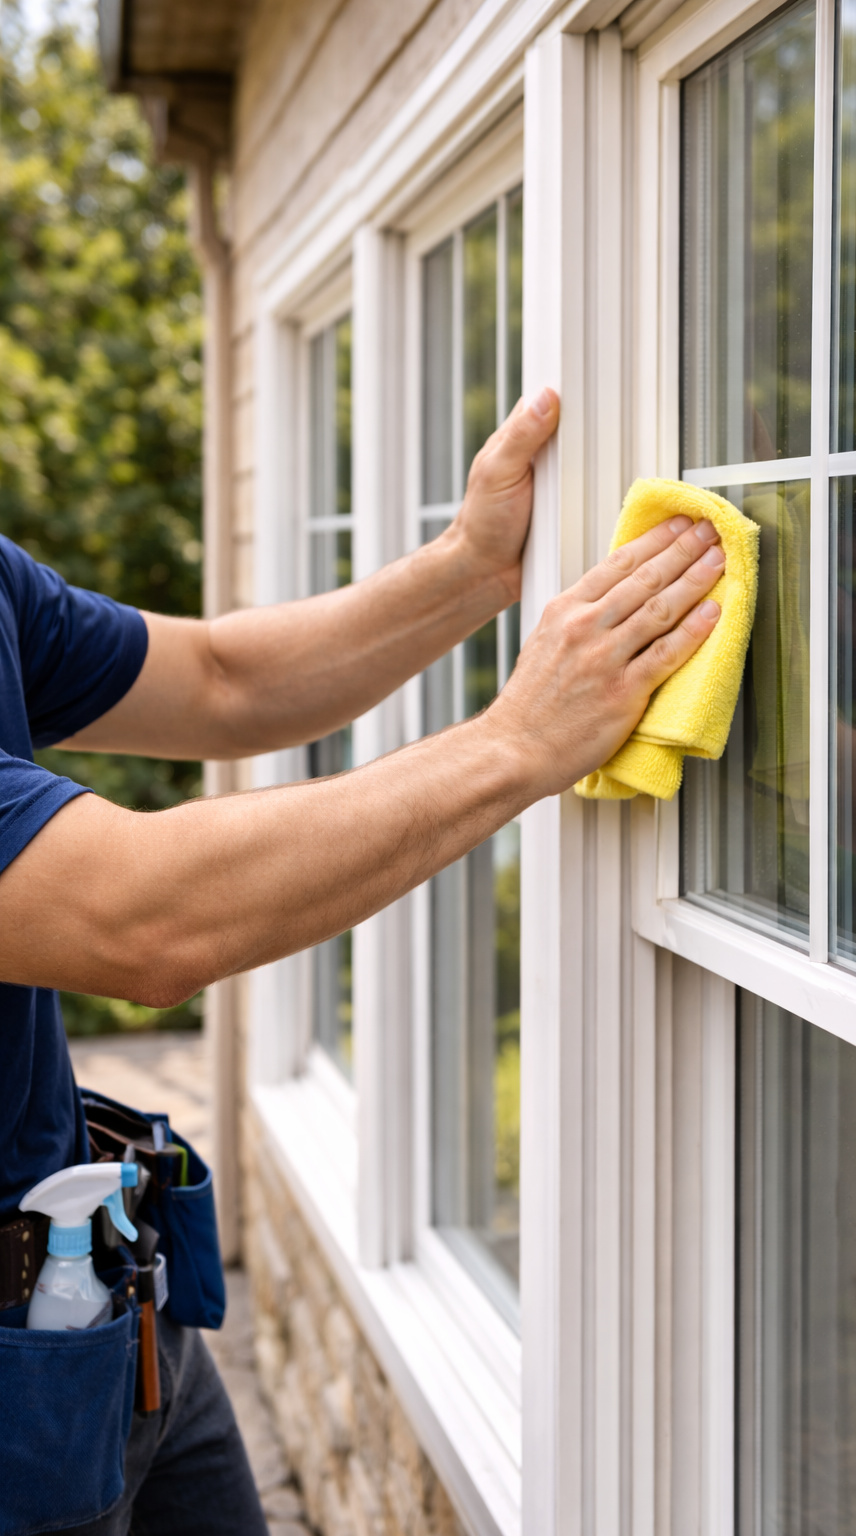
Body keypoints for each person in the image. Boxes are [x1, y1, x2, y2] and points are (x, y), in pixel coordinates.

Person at [0, 385, 724, 1533]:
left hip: (102, 1320)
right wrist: (517, 743)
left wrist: (471, 569)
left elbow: (221, 681)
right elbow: (140, 923)